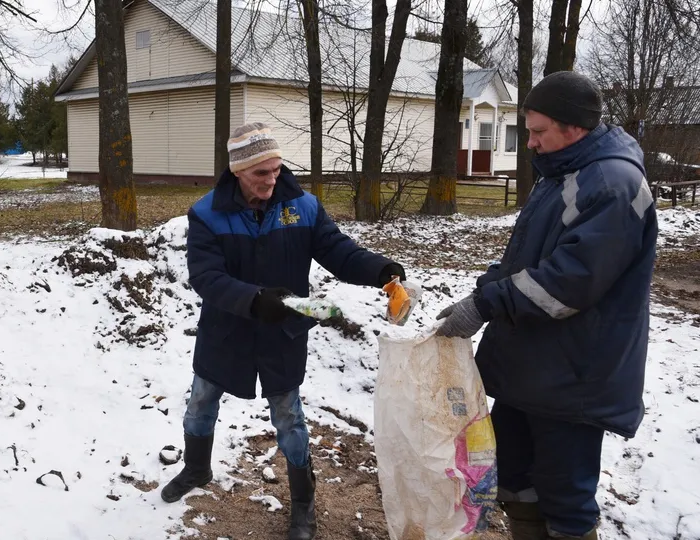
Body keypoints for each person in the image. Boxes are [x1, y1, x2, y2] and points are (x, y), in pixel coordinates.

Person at [436, 71, 658, 540]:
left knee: (566, 497)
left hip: (574, 376)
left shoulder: (611, 185)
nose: (530, 143)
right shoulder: (563, 172)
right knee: (516, 479)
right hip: (533, 368)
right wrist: (481, 292)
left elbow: (568, 284)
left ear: (573, 127)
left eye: (538, 132)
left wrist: (487, 304)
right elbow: (529, 259)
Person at [160, 122, 407, 540]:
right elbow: (206, 277)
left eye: (277, 170)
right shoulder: (206, 213)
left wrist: (380, 270)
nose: (272, 180)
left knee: (289, 417)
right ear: (238, 170)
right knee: (201, 402)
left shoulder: (303, 207)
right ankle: (197, 469)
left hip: (283, 334)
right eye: (261, 173)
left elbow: (338, 251)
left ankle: (303, 504)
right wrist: (253, 299)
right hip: (226, 331)